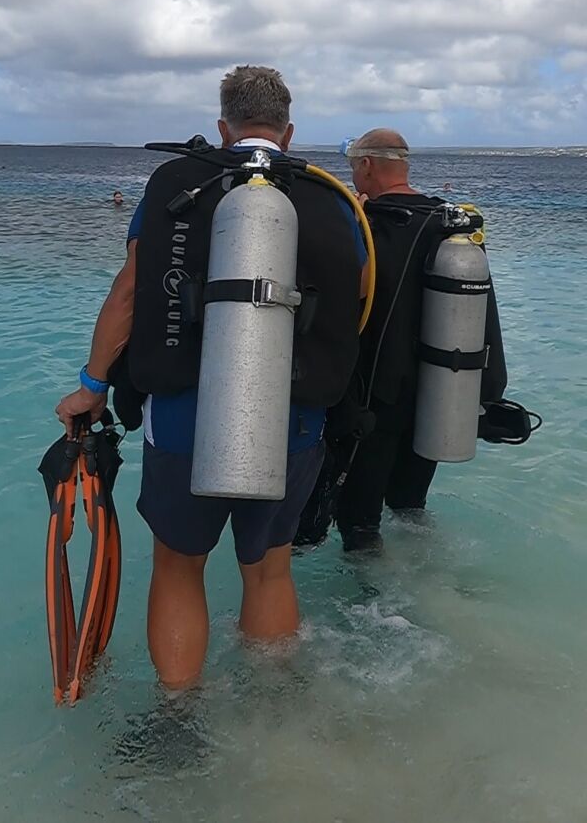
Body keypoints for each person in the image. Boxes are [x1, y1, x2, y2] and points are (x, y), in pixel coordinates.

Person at [55, 66, 367, 688]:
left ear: (222, 126)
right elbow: (355, 301)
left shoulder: (177, 181)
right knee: (270, 569)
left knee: (178, 566)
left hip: (184, 416)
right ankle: (270, 704)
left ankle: (177, 719)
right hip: (293, 414)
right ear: (289, 129)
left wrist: (91, 386)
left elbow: (130, 294)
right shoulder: (331, 194)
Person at [296, 128, 507, 555]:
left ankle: (377, 607)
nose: (353, 178)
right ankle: (430, 580)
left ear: (368, 165)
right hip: (441, 392)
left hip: (375, 402)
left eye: (354, 168)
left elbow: (337, 304)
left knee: (359, 524)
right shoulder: (451, 227)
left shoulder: (366, 225)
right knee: (410, 507)